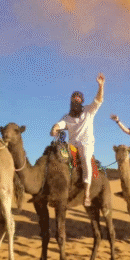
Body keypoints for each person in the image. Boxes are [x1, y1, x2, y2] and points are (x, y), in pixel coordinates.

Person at [50, 74, 105, 206]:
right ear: (71, 101)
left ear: (82, 101)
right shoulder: (67, 117)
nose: (76, 101)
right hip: (72, 145)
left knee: (85, 158)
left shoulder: (88, 110)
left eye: (78, 99)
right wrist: (54, 129)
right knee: (58, 156)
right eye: (74, 99)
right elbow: (59, 124)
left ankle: (87, 193)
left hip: (86, 143)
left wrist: (101, 86)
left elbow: (98, 100)